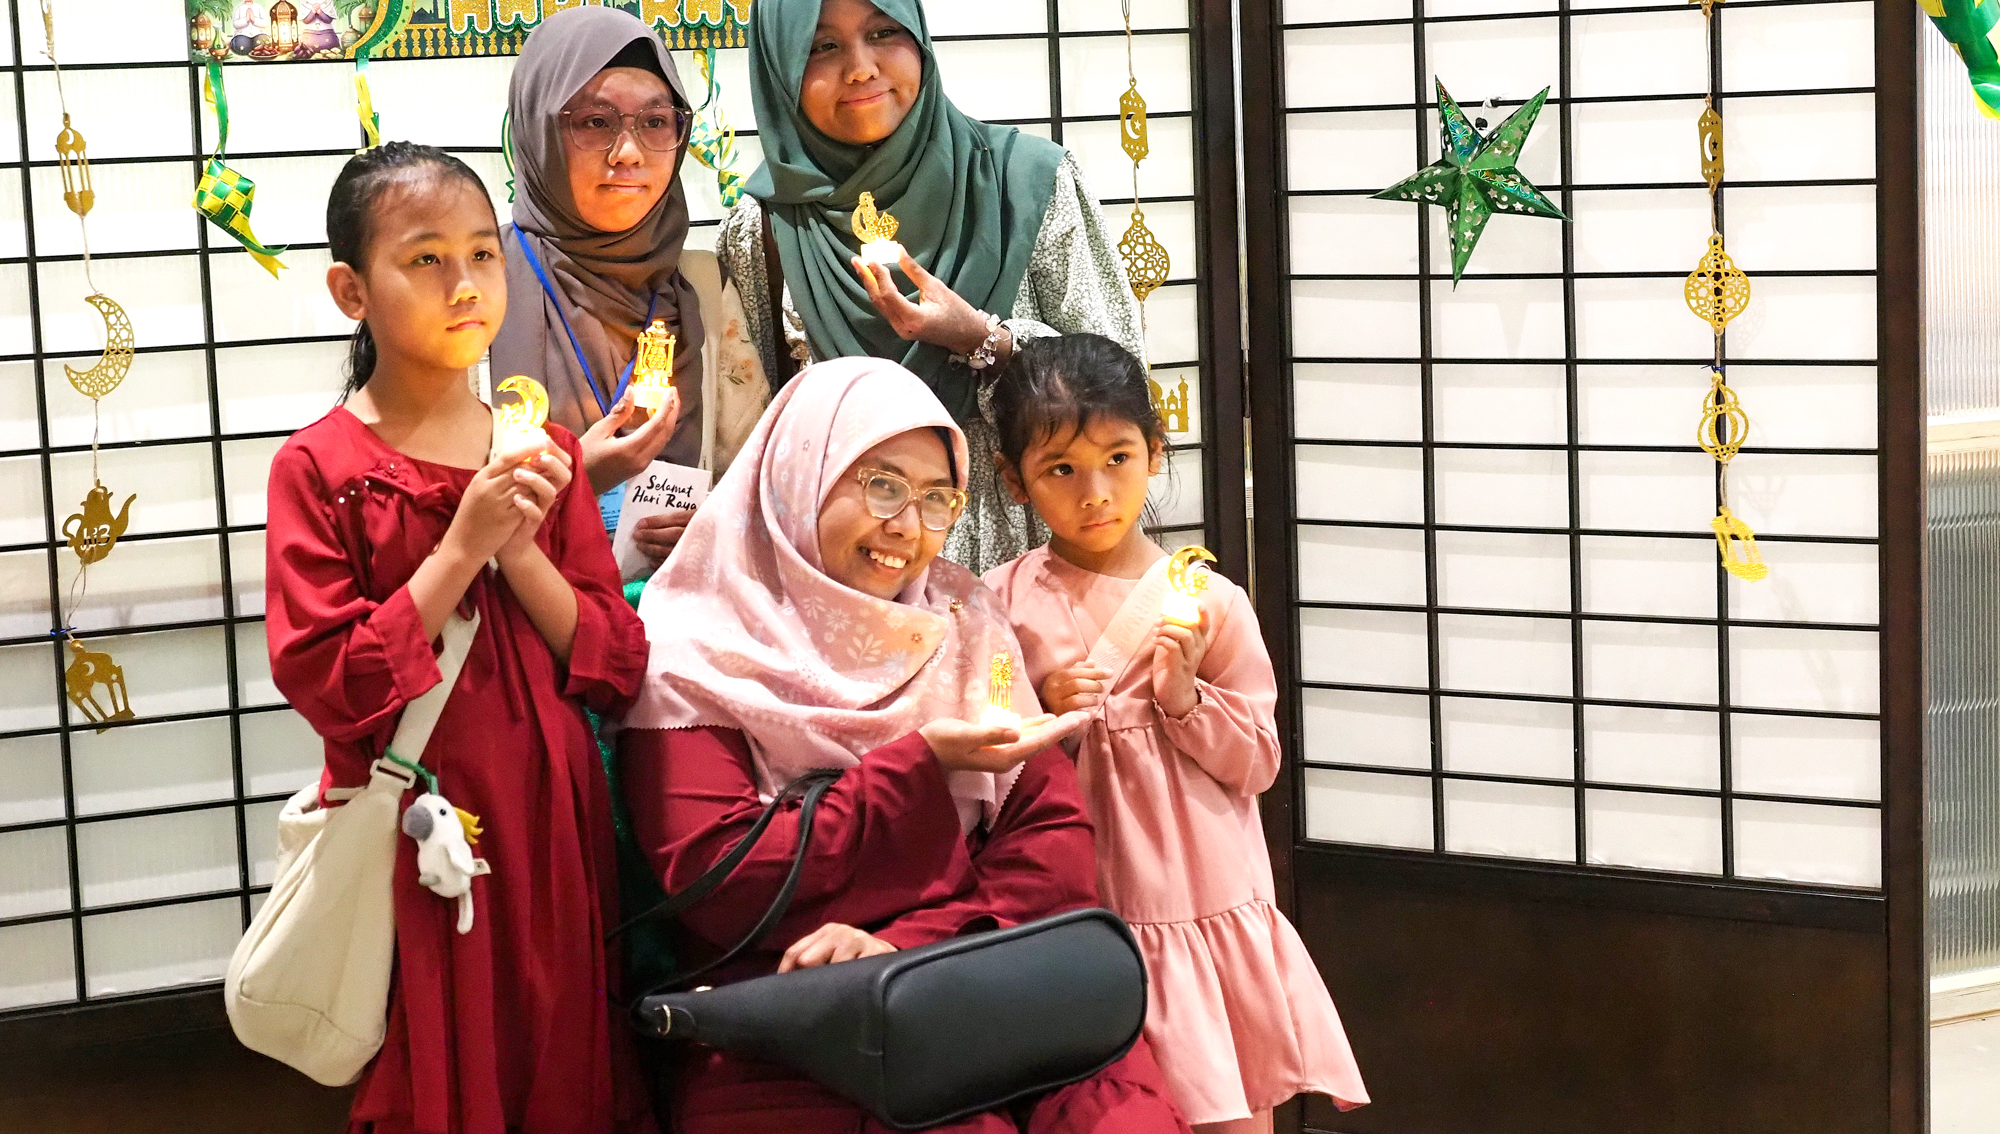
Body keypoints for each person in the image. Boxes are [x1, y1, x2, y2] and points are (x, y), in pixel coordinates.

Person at [618, 357, 1192, 1134]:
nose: (908, 529)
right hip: (792, 1017)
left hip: (976, 973)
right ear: (800, 472)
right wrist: (920, 763)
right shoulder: (696, 642)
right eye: (882, 485)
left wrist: (901, 942)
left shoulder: (962, 616)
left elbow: (1053, 844)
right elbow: (724, 879)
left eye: (935, 499)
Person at [265, 142, 655, 1134]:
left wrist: (518, 553)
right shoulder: (318, 469)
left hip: (550, 815)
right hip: (419, 820)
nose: (464, 283)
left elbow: (611, 660)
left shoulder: (543, 452)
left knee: (559, 1031)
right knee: (439, 1047)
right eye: (425, 258)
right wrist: (459, 548)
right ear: (352, 288)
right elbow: (331, 680)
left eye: (483, 254)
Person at [983, 334, 1369, 1134]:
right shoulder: (999, 603)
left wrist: (1185, 696)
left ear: (1155, 453)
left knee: (1232, 1113)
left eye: (1118, 457)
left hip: (1205, 904)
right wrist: (1041, 706)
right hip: (1085, 911)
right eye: (1060, 469)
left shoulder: (1213, 601)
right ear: (1012, 480)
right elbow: (983, 747)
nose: (1095, 490)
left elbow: (1258, 760)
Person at [714, 0, 1144, 573]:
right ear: (779, 70)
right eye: (822, 47)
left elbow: (1121, 384)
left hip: (1031, 573)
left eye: (884, 34)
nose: (861, 67)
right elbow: (764, 434)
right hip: (856, 577)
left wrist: (982, 338)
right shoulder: (765, 228)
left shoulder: (1025, 182)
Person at [492, 6, 769, 567]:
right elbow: (422, 513)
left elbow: (758, 489)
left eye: (655, 121)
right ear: (539, 129)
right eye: (595, 122)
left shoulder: (704, 289)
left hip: (678, 633)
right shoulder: (477, 281)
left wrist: (717, 527)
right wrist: (575, 485)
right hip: (515, 630)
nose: (629, 153)